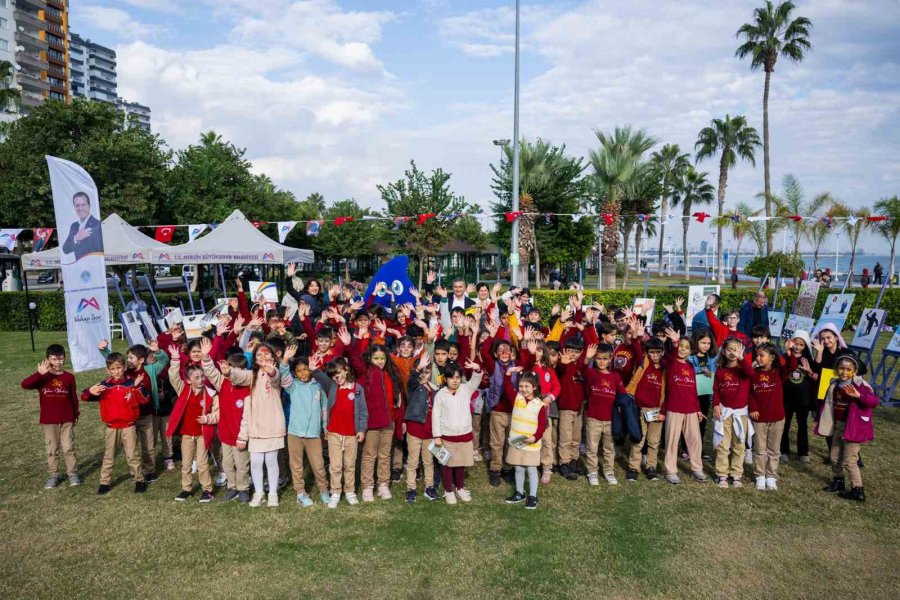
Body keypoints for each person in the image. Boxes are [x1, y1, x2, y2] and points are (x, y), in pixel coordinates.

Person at [339, 327, 402, 503]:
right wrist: (349, 346)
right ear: (370, 358)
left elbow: (397, 398)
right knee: (368, 456)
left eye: (382, 358)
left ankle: (383, 484)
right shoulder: (366, 372)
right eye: (376, 358)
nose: (380, 361)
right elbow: (355, 361)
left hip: (388, 423)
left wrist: (398, 419)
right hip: (372, 424)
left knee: (385, 455)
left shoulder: (391, 374)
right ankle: (367, 486)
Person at [80, 353, 148, 495]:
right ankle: (104, 482)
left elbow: (145, 399)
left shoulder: (132, 383)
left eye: (119, 368)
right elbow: (85, 397)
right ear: (108, 370)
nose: (116, 371)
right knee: (109, 455)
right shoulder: (104, 385)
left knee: (132, 455)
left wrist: (136, 388)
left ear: (124, 368)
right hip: (111, 427)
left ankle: (139, 480)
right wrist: (89, 391)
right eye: (113, 369)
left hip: (128, 426)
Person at [231, 343, 289, 508]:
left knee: (271, 461)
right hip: (255, 427)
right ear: (255, 360)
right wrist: (227, 370)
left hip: (272, 426)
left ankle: (272, 493)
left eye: (267, 355)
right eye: (259, 356)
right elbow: (237, 375)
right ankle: (258, 493)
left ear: (273, 357)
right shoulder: (252, 376)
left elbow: (276, 377)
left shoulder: (276, 373)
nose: (264, 358)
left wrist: (271, 370)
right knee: (256, 462)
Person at [816, 355, 878, 502]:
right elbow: (829, 404)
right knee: (834, 456)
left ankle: (858, 489)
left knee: (850, 460)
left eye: (848, 369)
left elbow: (873, 402)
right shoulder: (835, 384)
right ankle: (838, 481)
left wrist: (858, 395)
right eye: (841, 368)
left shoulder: (861, 386)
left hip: (853, 428)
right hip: (838, 425)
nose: (844, 372)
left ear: (855, 370)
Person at [311, 355, 368, 509]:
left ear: (346, 369)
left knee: (349, 464)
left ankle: (350, 491)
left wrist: (361, 429)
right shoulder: (332, 387)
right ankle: (335, 492)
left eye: (338, 374)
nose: (336, 378)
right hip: (334, 433)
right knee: (335, 465)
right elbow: (321, 377)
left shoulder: (357, 389)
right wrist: (314, 369)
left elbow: (363, 411)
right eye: (333, 376)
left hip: (351, 434)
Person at [21, 344, 81, 489]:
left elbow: (73, 397)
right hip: (49, 420)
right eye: (54, 359)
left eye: (61, 359)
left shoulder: (69, 377)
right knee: (52, 449)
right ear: (47, 360)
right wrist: (39, 374)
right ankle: (53, 475)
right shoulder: (43, 377)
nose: (58, 362)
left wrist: (76, 413)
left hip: (67, 419)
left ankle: (72, 473)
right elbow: (25, 385)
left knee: (68, 447)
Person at [166, 344, 219, 503]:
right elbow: (173, 376)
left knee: (202, 463)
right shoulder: (183, 389)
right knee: (186, 463)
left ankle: (207, 490)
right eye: (196, 377)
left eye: (202, 376)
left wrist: (208, 419)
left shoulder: (210, 394)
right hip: (187, 434)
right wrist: (175, 360)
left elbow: (218, 413)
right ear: (188, 380)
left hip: (202, 434)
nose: (201, 379)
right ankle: (186, 488)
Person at [279, 346, 330, 507]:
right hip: (295, 433)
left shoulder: (318, 386)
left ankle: (324, 490)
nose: (303, 373)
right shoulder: (293, 387)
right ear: (295, 373)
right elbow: (284, 377)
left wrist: (325, 427)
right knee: (297, 465)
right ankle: (300, 493)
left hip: (314, 434)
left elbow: (324, 408)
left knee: (319, 464)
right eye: (299, 371)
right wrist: (285, 360)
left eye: (306, 369)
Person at [202, 349, 252, 504]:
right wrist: (206, 357)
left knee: (241, 464)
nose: (227, 371)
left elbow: (247, 416)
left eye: (231, 369)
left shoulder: (248, 388)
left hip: (240, 436)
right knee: (227, 464)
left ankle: (243, 488)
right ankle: (232, 487)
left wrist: (243, 436)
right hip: (225, 433)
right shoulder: (223, 382)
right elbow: (211, 372)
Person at [432, 361, 483, 504]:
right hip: (447, 437)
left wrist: (477, 369)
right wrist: (437, 436)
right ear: (446, 379)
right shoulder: (440, 395)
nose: (455, 381)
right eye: (452, 377)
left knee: (461, 464)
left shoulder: (465, 389)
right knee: (447, 464)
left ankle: (460, 488)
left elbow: (476, 380)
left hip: (464, 434)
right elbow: (436, 416)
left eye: (458, 377)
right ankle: (448, 491)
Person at [661, 329, 707, 484]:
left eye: (686, 347)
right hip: (674, 408)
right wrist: (675, 343)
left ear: (691, 351)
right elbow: (671, 355)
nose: (682, 349)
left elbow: (693, 390)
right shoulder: (671, 363)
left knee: (695, 439)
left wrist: (698, 408)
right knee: (672, 441)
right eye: (681, 346)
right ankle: (671, 470)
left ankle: (697, 468)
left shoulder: (690, 366)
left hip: (690, 410)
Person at [582, 343, 626, 486]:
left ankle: (609, 471)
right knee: (592, 448)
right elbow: (583, 370)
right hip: (593, 418)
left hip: (610, 420)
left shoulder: (615, 376)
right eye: (599, 358)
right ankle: (592, 472)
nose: (602, 361)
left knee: (609, 448)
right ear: (595, 359)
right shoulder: (592, 373)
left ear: (610, 359)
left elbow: (622, 394)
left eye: (605, 359)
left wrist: (621, 410)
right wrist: (587, 358)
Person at [712, 339, 754, 487]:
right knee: (723, 445)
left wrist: (742, 359)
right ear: (723, 351)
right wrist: (716, 405)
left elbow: (751, 373)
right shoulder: (720, 371)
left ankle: (736, 475)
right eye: (729, 349)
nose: (732, 352)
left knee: (739, 445)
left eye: (736, 350)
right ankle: (722, 474)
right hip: (724, 413)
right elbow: (716, 390)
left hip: (740, 414)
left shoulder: (743, 370)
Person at [505, 372, 549, 510]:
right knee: (518, 467)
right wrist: (508, 375)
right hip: (517, 441)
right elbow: (506, 388)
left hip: (532, 443)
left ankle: (532, 496)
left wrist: (534, 437)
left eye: (527, 386)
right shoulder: (517, 398)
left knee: (531, 469)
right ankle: (519, 493)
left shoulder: (540, 405)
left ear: (534, 387)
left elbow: (542, 425)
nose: (523, 389)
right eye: (521, 386)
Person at [625, 337, 666, 482]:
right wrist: (637, 336)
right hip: (640, 408)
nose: (655, 355)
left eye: (658, 352)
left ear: (663, 352)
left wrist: (662, 411)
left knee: (654, 441)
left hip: (656, 410)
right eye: (652, 352)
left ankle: (651, 467)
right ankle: (633, 468)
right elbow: (637, 348)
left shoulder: (665, 369)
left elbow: (667, 393)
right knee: (638, 439)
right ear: (647, 353)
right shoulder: (644, 364)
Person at [749, 343, 787, 491]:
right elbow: (749, 393)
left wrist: (790, 353)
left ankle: (771, 476)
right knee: (759, 448)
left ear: (771, 358)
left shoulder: (778, 373)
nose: (758, 358)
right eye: (756, 355)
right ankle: (760, 475)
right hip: (759, 419)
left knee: (774, 449)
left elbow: (790, 367)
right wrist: (753, 408)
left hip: (777, 418)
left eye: (761, 356)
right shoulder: (754, 373)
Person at [404, 352, 439, 502]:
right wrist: (418, 368)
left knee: (428, 461)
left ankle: (429, 487)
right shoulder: (413, 387)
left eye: (427, 371)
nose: (424, 374)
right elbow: (411, 379)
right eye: (422, 371)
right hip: (415, 430)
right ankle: (411, 488)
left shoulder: (435, 390)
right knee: (413, 462)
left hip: (430, 432)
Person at [780, 331, 819, 464]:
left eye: (801, 345)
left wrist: (809, 371)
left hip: (803, 399)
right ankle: (783, 450)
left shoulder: (808, 359)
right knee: (785, 425)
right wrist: (787, 351)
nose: (797, 347)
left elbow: (815, 377)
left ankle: (803, 452)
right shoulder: (785, 356)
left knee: (802, 425)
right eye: (795, 344)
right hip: (786, 397)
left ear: (805, 346)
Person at [61, 191, 103, 261]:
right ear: (74, 207)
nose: (80, 208)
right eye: (77, 205)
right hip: (79, 268)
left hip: (94, 268)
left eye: (83, 205)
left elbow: (100, 250)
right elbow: (65, 249)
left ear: (89, 206)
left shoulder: (98, 225)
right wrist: (76, 238)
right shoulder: (74, 226)